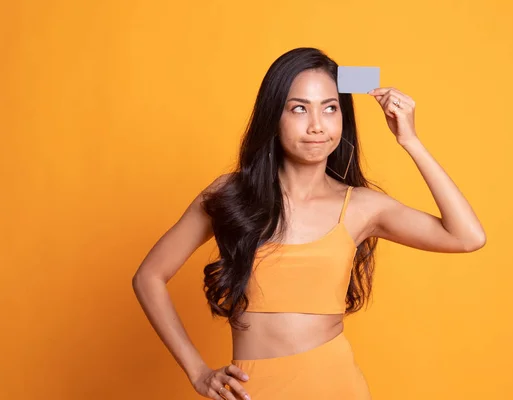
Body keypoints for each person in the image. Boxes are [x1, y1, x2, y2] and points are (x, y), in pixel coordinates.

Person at [132, 47, 486, 400]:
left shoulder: (361, 206)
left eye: (330, 108)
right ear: (274, 116)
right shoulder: (231, 195)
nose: (317, 125)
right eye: (299, 108)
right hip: (252, 391)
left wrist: (409, 140)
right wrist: (197, 371)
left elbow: (467, 236)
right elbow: (149, 277)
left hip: (335, 387)